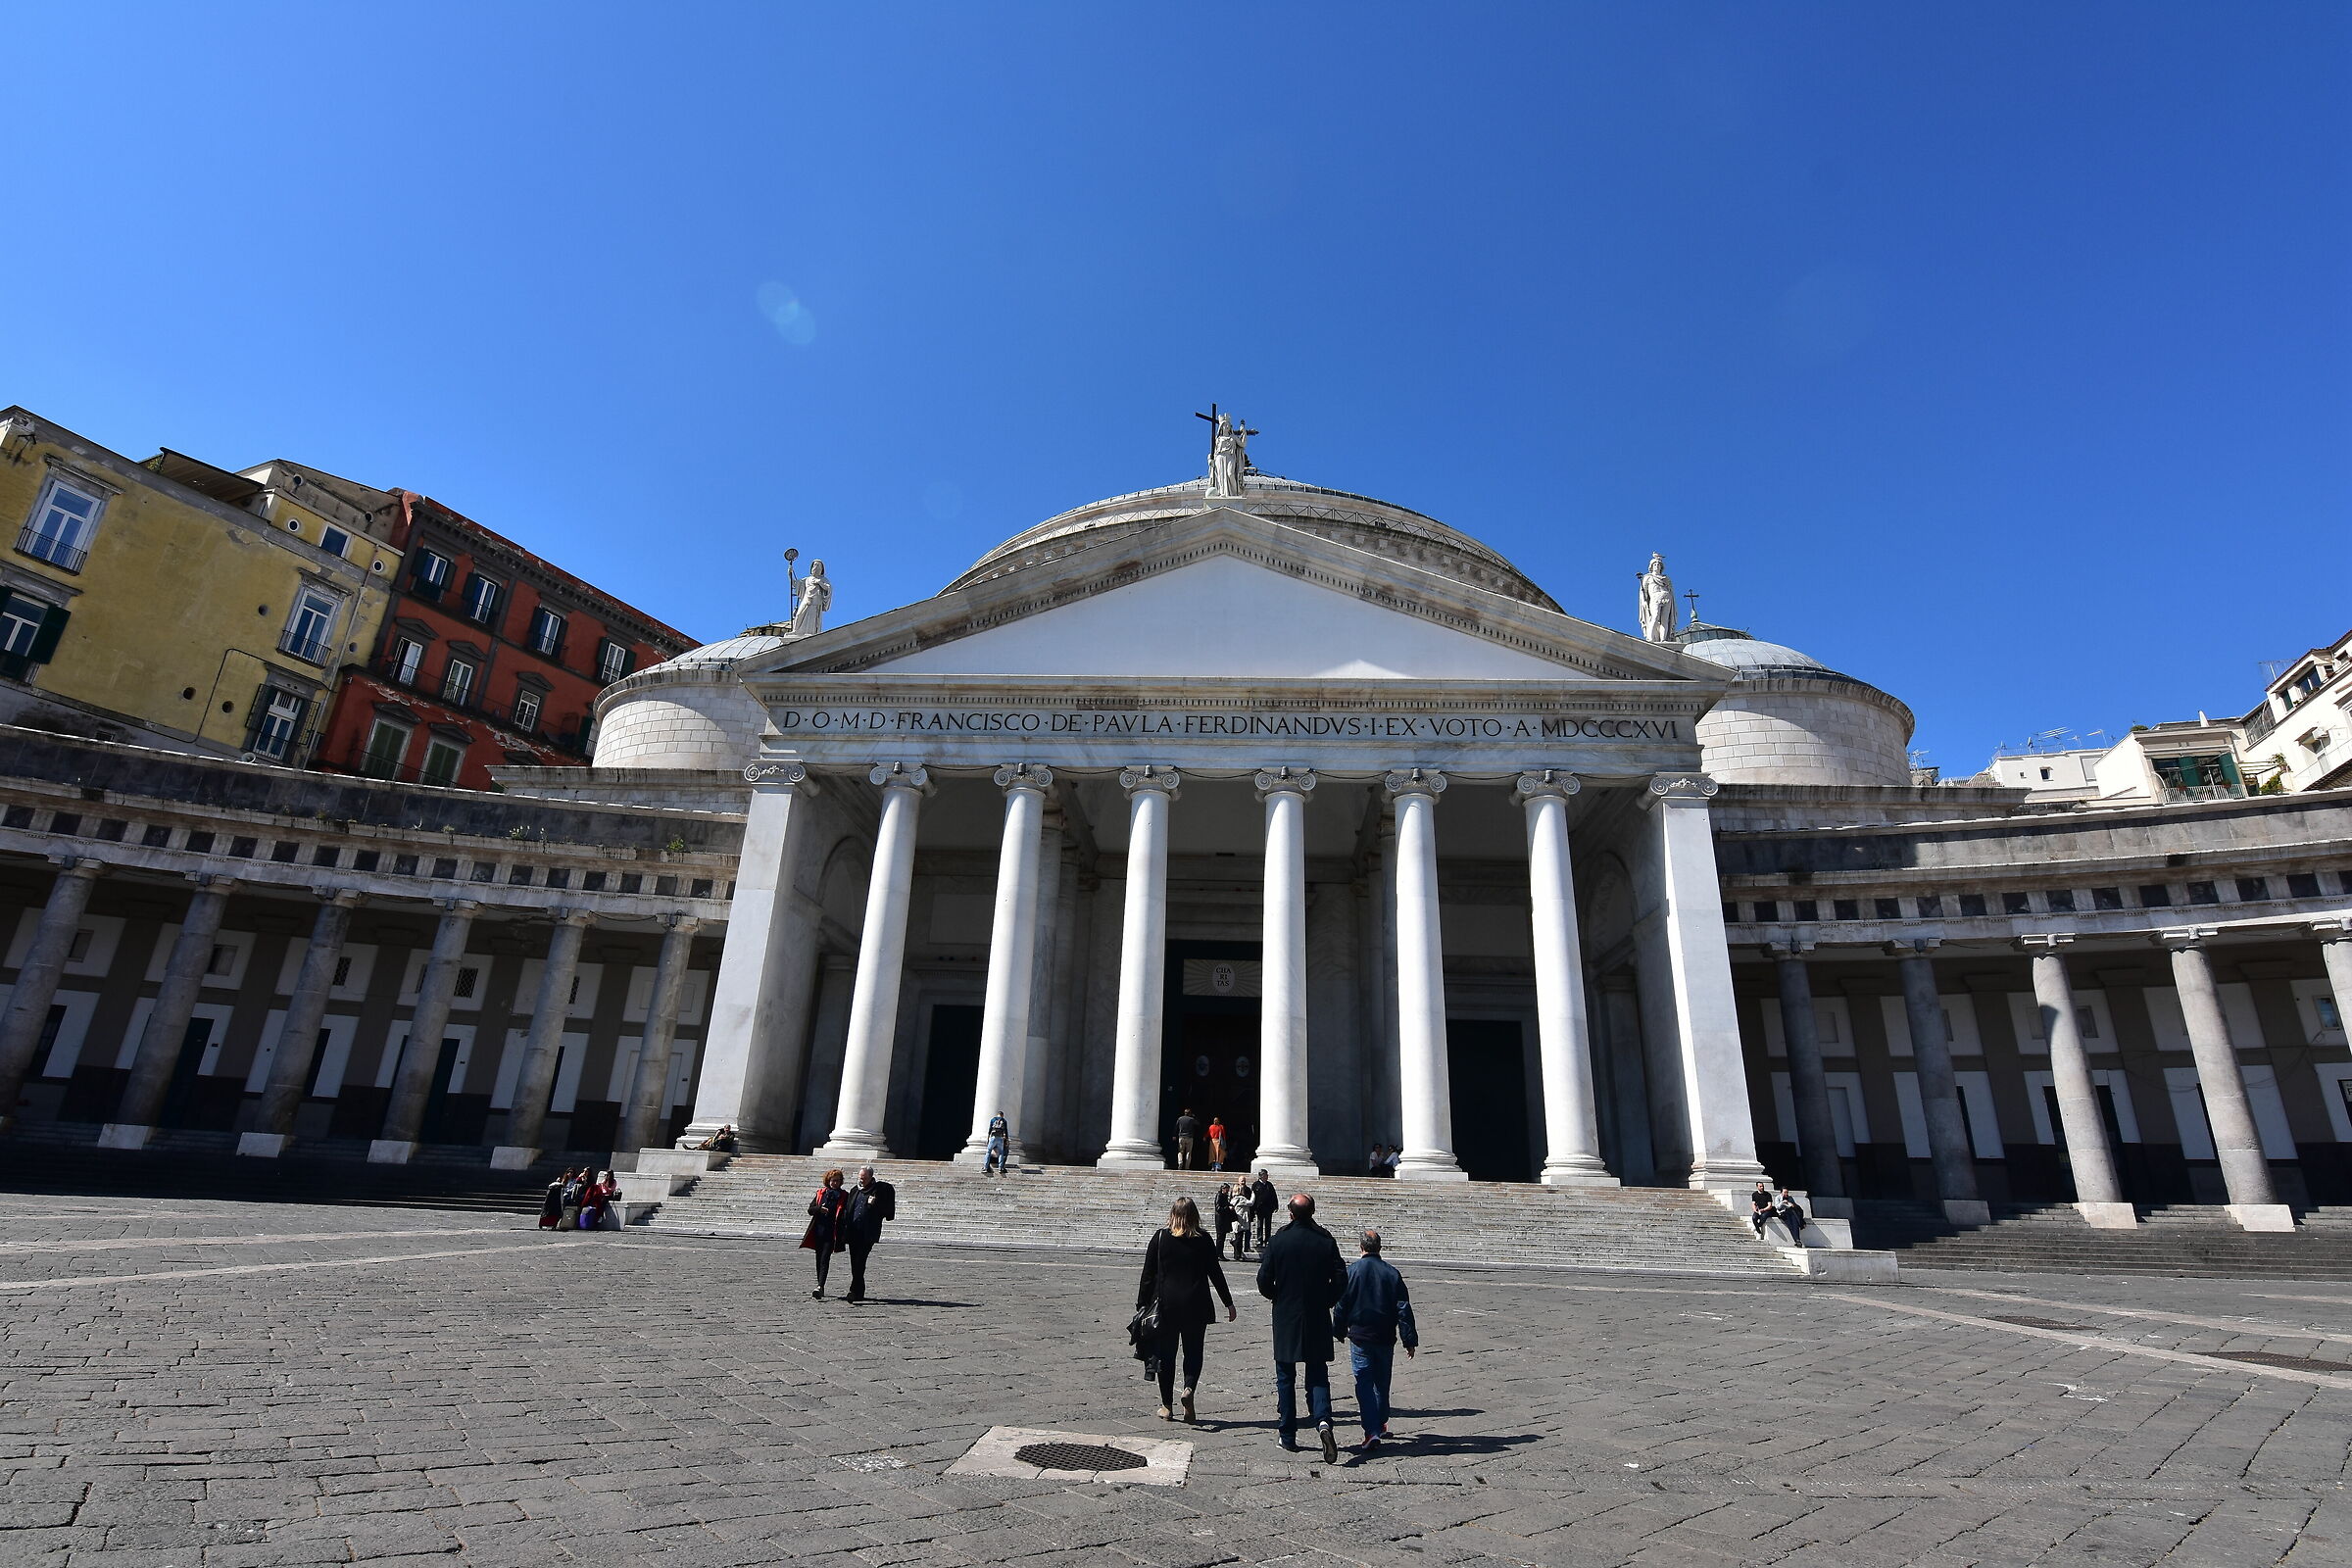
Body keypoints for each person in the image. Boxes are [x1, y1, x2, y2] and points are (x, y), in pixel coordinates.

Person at [1256, 1193, 1348, 1461]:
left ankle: (1288, 1435)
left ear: (1291, 1213)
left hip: (1286, 1316)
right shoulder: (1325, 1240)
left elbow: (1263, 1280)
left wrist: (1278, 1296)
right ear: (1313, 1212)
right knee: (1318, 1373)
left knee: (1285, 1377)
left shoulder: (1279, 1240)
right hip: (1317, 1315)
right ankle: (1323, 1423)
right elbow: (1341, 1278)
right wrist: (1327, 1300)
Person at [1136, 1197, 1237, 1423]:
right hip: (1196, 1305)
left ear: (1173, 1214)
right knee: (1193, 1352)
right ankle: (1189, 1388)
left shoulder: (1160, 1237)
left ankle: (1166, 1406)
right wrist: (1228, 1303)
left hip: (1166, 1306)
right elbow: (1216, 1273)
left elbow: (1147, 1276)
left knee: (1166, 1355)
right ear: (1195, 1215)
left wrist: (1141, 1306)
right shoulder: (1204, 1239)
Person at [1331, 1229, 1418, 1452]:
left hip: (1360, 1335)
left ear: (1361, 1247)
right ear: (1379, 1247)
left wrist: (1338, 1329)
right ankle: (1379, 1423)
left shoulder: (1352, 1271)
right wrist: (1409, 1339)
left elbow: (1341, 1304)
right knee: (1382, 1382)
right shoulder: (1392, 1273)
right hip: (1385, 1336)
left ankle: (1372, 1430)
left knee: (1364, 1383)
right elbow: (1403, 1308)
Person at [844, 1164, 897, 1302]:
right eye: (860, 1177)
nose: (862, 1180)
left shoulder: (879, 1191)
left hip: (868, 1233)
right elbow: (848, 1210)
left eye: (865, 1178)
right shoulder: (854, 1190)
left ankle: (853, 1291)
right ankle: (859, 1291)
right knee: (854, 1262)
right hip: (853, 1231)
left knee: (861, 1260)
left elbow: (886, 1212)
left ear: (871, 1177)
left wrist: (875, 1204)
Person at [802, 1167, 849, 1298]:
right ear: (828, 1181)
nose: (835, 1183)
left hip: (832, 1232)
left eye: (838, 1181)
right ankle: (819, 1284)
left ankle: (820, 1286)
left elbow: (846, 1212)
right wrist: (819, 1209)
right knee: (818, 1258)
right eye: (833, 1180)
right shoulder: (821, 1193)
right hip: (818, 1230)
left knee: (824, 1259)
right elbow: (810, 1210)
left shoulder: (844, 1195)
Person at [1249, 1170, 1278, 1250]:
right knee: (1259, 1225)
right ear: (1261, 1176)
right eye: (1265, 1175)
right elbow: (1253, 1197)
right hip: (1259, 1209)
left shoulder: (1269, 1185)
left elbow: (1273, 1196)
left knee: (1268, 1225)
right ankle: (1259, 1240)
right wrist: (1253, 1209)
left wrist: (1275, 1206)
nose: (1267, 1176)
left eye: (1267, 1175)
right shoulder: (1256, 1185)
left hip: (1268, 1208)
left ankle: (1267, 1240)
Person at [1213, 1183, 1239, 1258]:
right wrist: (1228, 1208)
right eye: (1226, 1189)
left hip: (1224, 1220)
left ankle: (1220, 1254)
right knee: (1220, 1238)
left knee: (1222, 1238)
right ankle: (1218, 1254)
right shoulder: (1219, 1196)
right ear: (1223, 1189)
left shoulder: (1224, 1196)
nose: (1227, 1191)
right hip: (1220, 1220)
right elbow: (1218, 1208)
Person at [557, 1168, 585, 1232]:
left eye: (571, 1172)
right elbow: (562, 1186)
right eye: (568, 1172)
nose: (570, 1174)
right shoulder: (565, 1180)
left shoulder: (574, 1180)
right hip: (563, 1194)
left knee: (566, 1198)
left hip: (569, 1195)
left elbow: (573, 1188)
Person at [984, 1111, 1010, 1177]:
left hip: (993, 1137)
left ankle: (985, 1167)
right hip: (1000, 1138)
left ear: (997, 1115)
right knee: (1001, 1153)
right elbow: (1005, 1130)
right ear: (1002, 1115)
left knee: (988, 1151)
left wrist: (988, 1138)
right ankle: (1000, 1168)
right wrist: (1006, 1139)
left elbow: (990, 1129)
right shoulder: (1004, 1120)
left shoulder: (993, 1119)